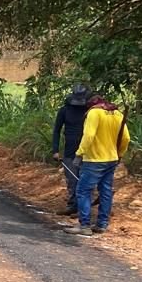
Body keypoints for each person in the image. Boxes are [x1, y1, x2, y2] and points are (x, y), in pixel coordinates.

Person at [72, 94, 130, 236]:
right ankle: (102, 224)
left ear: (91, 104)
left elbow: (89, 135)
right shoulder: (117, 113)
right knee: (105, 191)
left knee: (83, 191)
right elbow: (126, 138)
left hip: (94, 160)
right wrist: (120, 154)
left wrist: (79, 153)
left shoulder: (94, 113)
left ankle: (84, 225)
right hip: (111, 159)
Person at [51, 84, 91, 215]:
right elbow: (57, 130)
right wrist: (55, 150)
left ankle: (83, 209)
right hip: (70, 151)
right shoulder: (64, 110)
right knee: (72, 180)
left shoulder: (90, 110)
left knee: (85, 180)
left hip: (87, 151)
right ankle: (73, 205)